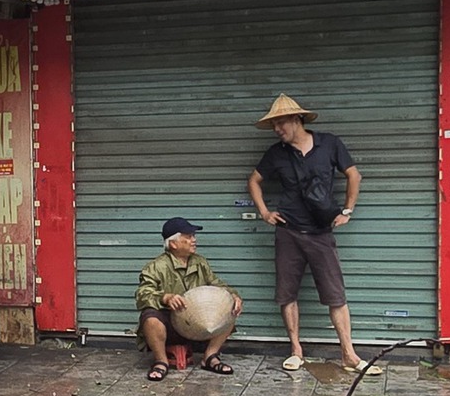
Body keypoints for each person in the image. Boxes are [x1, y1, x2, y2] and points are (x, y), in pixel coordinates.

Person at [246, 94, 364, 372]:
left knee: (336, 295)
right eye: (274, 125)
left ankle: (349, 354)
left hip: (321, 232)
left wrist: (347, 210)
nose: (277, 129)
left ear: (297, 119)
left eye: (281, 123)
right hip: (288, 231)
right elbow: (254, 180)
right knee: (287, 293)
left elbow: (354, 175)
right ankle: (296, 350)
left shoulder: (329, 143)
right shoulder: (277, 153)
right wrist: (264, 212)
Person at [135, 217, 244, 381]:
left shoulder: (200, 263)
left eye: (193, 236)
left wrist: (232, 295)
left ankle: (210, 356)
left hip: (199, 324)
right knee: (150, 318)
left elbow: (216, 284)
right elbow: (143, 293)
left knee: (230, 309)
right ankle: (161, 361)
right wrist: (165, 297)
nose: (194, 240)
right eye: (188, 236)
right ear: (173, 244)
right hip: (171, 325)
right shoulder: (156, 266)